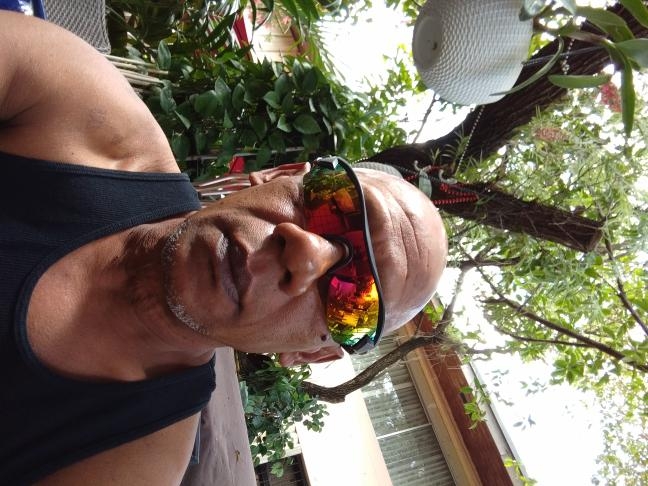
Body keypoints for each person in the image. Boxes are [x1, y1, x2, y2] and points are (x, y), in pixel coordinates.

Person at [0, 10, 447, 485]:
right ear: (277, 175)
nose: (304, 255)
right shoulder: (89, 118)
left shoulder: (125, 467)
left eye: (352, 301)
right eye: (332, 203)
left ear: (308, 355)